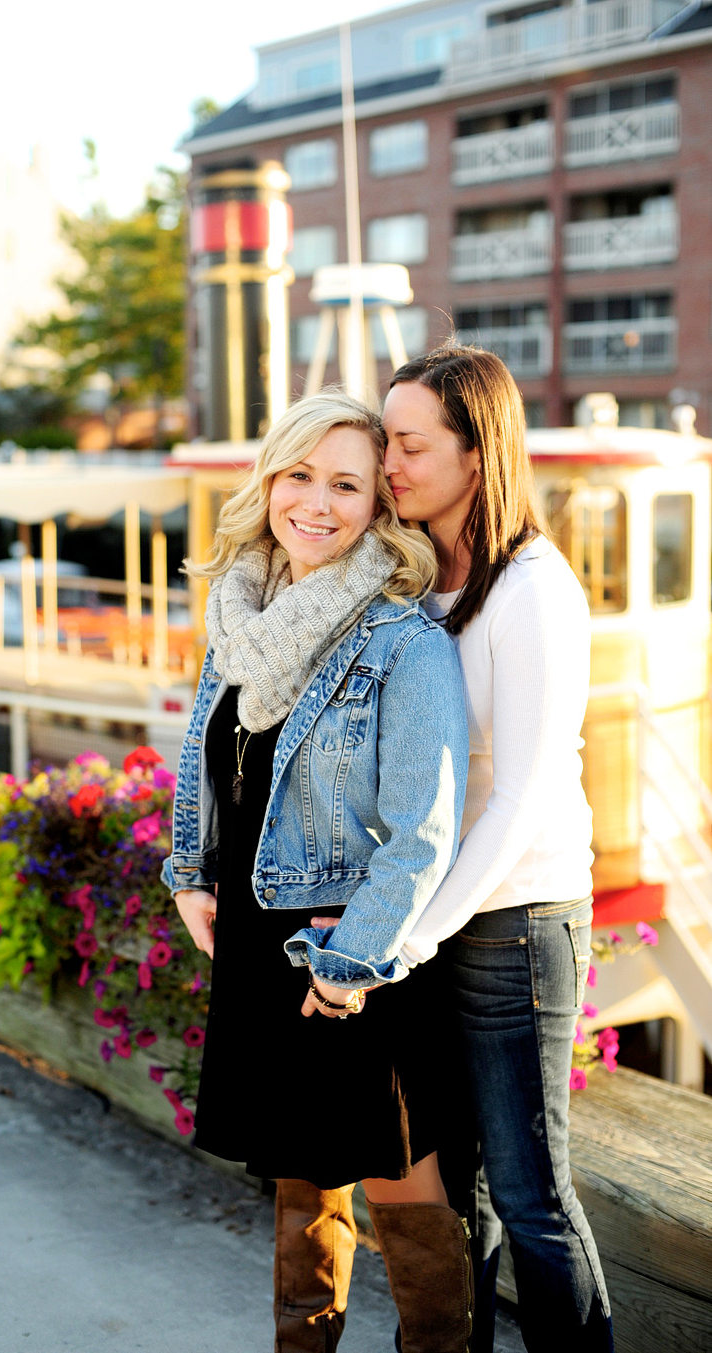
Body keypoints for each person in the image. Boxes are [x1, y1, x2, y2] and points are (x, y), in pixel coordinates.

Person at [161, 391, 473, 1352]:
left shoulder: (405, 643)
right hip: (261, 939)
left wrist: (350, 967)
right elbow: (211, 764)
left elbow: (422, 833)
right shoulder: (242, 612)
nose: (318, 503)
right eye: (300, 474)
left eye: (347, 483)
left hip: (346, 957)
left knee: (399, 1184)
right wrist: (189, 871)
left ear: (379, 504)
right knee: (303, 1180)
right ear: (268, 482)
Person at [345, 347, 612, 1353]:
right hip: (441, 917)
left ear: (477, 452)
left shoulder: (533, 589)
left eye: (409, 446)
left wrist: (410, 934)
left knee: (532, 1192)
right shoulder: (425, 583)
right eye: (387, 443)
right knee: (466, 1195)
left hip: (519, 920)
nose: (390, 467)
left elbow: (527, 791)